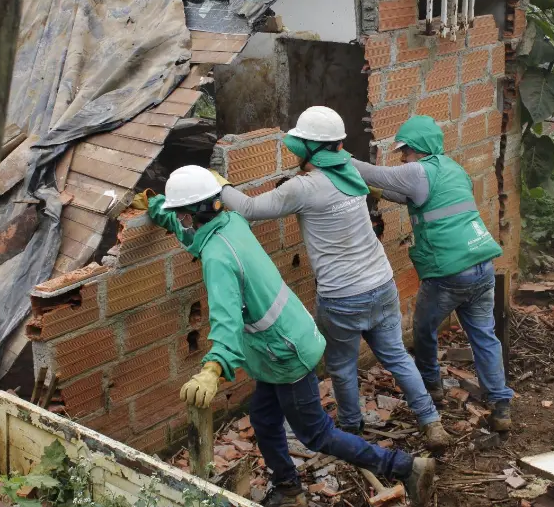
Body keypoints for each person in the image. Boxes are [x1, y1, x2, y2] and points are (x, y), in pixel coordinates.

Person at [146, 165, 436, 507]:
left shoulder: (218, 258)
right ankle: (289, 488)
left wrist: (213, 368)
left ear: (192, 213)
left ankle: (405, 467)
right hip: (283, 341)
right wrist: (159, 210)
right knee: (265, 419)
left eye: (179, 214)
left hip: (284, 352)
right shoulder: (231, 221)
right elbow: (196, 238)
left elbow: (226, 321)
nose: (179, 220)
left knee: (317, 434)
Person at [213, 106, 451, 450]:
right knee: (397, 356)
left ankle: (352, 431)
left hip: (343, 296)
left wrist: (219, 186)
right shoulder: (351, 172)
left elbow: (250, 209)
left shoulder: (304, 187)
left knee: (342, 367)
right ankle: (431, 421)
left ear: (307, 147)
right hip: (382, 284)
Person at [350, 115, 515, 432]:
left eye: (405, 151)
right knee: (484, 337)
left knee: (423, 330)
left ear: (419, 149)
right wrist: (372, 190)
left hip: (449, 272)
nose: (402, 157)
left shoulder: (417, 170)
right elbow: (410, 196)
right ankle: (501, 405)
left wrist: (334, 155)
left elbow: (377, 173)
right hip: (481, 265)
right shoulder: (453, 169)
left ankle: (432, 386)